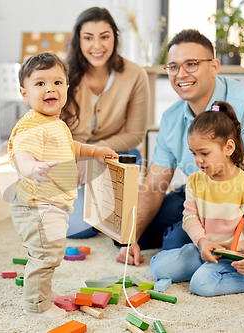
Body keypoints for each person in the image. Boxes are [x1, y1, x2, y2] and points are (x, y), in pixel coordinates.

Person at [117, 29, 244, 279]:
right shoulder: (171, 116)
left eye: (191, 64)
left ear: (214, 66)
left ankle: (194, 247)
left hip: (238, 206)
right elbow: (154, 184)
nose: (181, 74)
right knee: (126, 233)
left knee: (174, 241)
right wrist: (130, 239)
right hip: (198, 194)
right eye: (173, 66)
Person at [7, 52, 118, 319]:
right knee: (45, 254)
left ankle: (43, 291)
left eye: (57, 82)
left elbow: (71, 147)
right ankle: (36, 306)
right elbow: (21, 153)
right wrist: (31, 168)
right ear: (25, 93)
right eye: (40, 83)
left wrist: (93, 152)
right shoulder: (32, 126)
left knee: (50, 253)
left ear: (67, 87)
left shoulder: (55, 123)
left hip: (51, 203)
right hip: (37, 206)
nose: (50, 89)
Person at [150, 101, 244, 296]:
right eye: (194, 153)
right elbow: (189, 217)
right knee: (158, 266)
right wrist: (202, 243)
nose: (198, 160)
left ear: (228, 148)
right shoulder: (195, 181)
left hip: (232, 256)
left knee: (201, 285)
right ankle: (201, 269)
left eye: (204, 153)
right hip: (203, 249)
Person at [62, 7, 150, 239]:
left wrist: (93, 153)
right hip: (68, 156)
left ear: (115, 38)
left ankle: (104, 208)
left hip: (112, 153)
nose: (97, 46)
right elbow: (47, 128)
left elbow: (134, 134)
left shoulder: (135, 75)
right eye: (88, 38)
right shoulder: (61, 72)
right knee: (75, 230)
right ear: (78, 40)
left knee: (102, 221)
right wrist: (78, 155)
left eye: (104, 37)